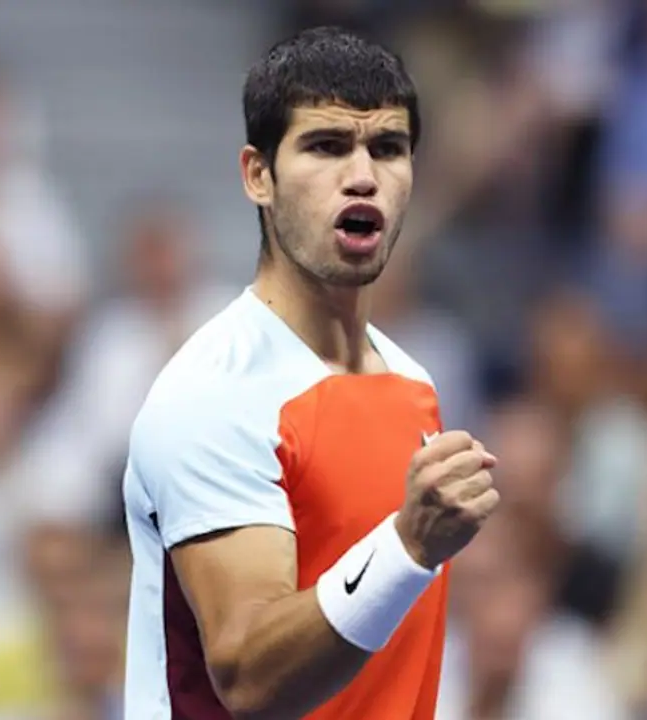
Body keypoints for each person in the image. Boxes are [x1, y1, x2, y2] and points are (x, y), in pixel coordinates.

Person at [121, 26, 502, 720]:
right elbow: (248, 675)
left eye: (388, 148)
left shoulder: (411, 379)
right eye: (327, 146)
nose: (363, 176)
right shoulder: (213, 393)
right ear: (257, 175)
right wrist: (408, 544)